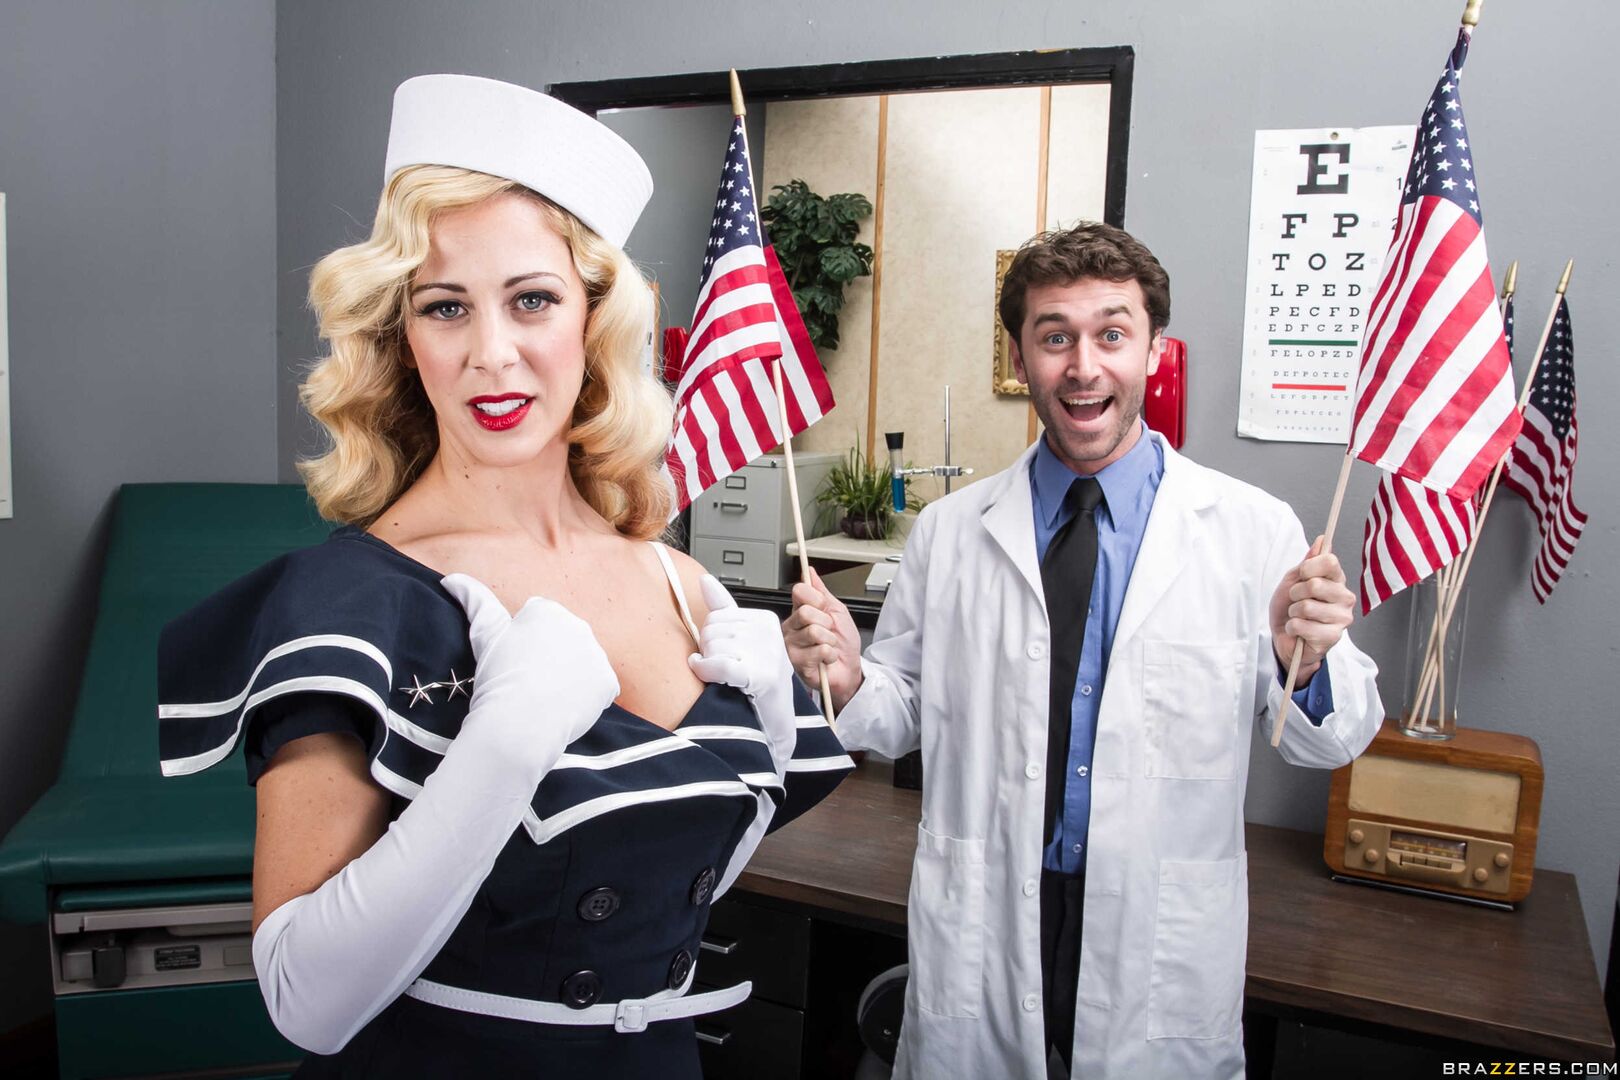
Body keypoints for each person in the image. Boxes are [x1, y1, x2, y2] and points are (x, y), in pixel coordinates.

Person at [156, 74, 851, 1077]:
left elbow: (670, 882)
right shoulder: (350, 603)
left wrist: (774, 737)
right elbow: (303, 1000)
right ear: (404, 338)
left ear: (593, 317)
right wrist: (504, 744)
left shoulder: (680, 584)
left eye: (532, 299)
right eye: (445, 308)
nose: (492, 354)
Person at [783, 222, 1383, 1079]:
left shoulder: (1251, 530)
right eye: (1055, 337)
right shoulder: (951, 532)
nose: (1084, 366)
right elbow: (903, 710)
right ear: (1021, 357)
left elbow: (1331, 741)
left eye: (1112, 334)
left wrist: (1309, 662)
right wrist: (847, 680)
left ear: (1153, 350)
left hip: (1157, 929)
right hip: (990, 911)